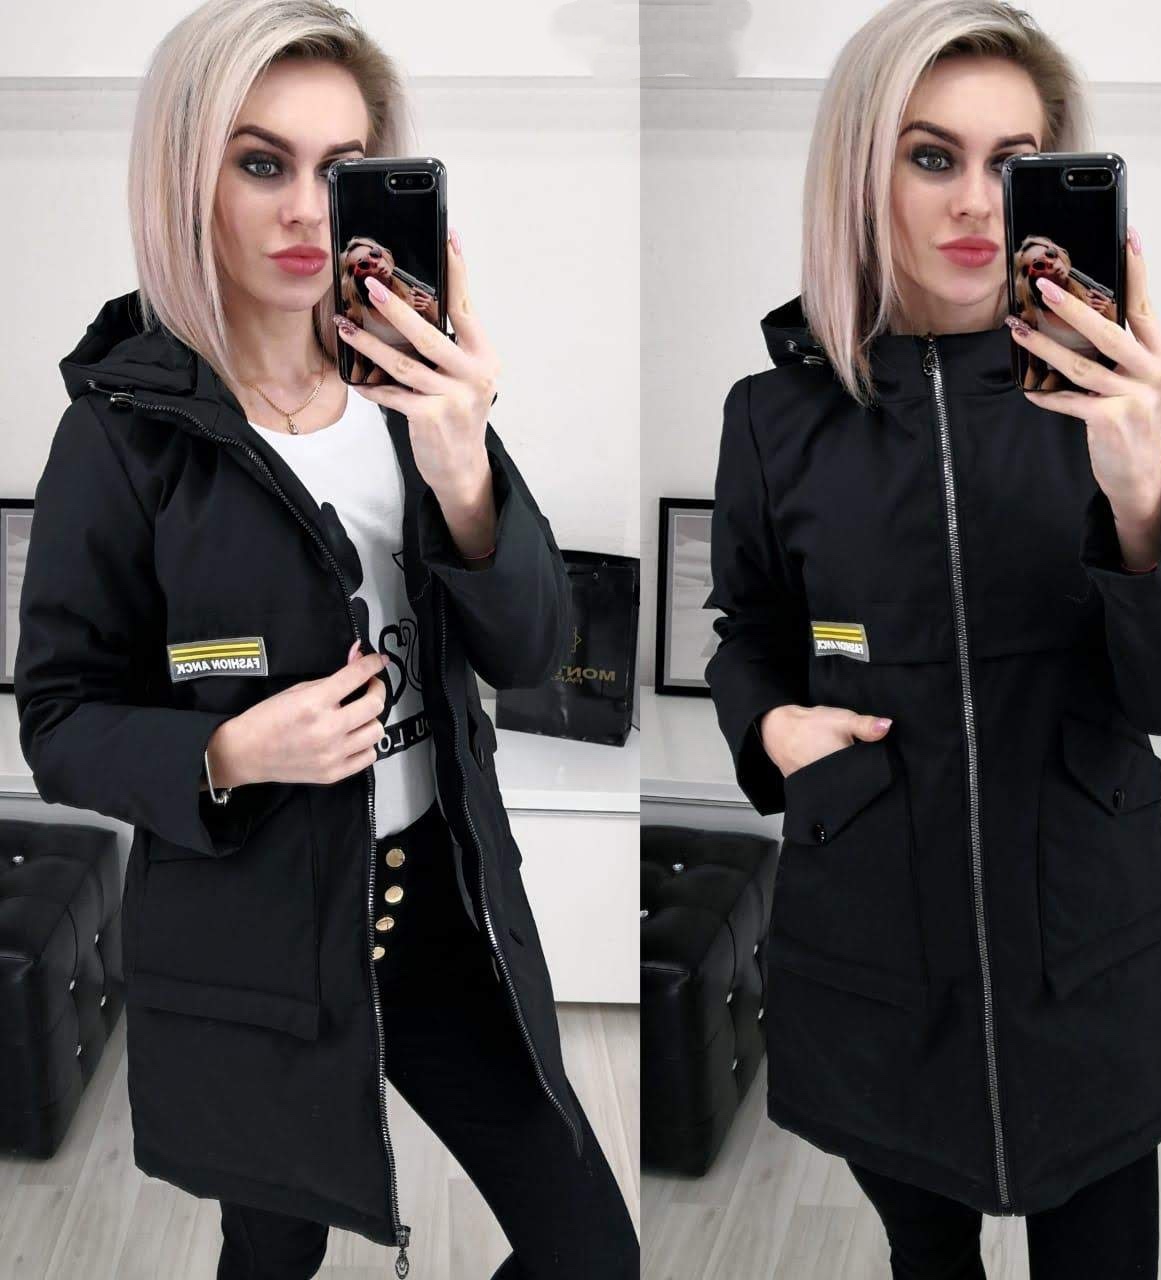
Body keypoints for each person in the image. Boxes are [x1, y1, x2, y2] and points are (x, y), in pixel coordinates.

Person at [14, 1, 638, 1276]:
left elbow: (531, 652)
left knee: (590, 1250)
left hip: (445, 907)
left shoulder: (413, 389)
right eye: (262, 163)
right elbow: (59, 719)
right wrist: (229, 751)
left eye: (339, 169)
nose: (307, 210)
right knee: (273, 1250)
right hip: (255, 939)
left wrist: (463, 459)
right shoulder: (121, 438)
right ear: (187, 176)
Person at [703, 1, 1161, 1275]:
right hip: (875, 951)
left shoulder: (1108, 406)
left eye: (1015, 162)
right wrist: (768, 726)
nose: (976, 202)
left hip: (1087, 952)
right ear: (862, 172)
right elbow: (746, 632)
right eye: (931, 155)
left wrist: (1137, 478)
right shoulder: (773, 418)